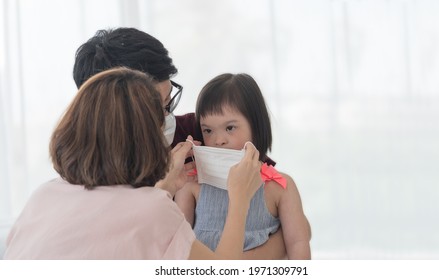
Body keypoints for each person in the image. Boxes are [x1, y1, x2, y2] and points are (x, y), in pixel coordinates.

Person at [3, 67, 266, 259]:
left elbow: (122, 223)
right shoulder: (153, 210)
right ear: (144, 137)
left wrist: (164, 187)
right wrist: (240, 198)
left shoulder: (43, 196)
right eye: (162, 114)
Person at [175, 73, 312, 259]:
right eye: (208, 130)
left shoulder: (280, 186)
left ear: (256, 127)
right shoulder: (191, 184)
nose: (218, 140)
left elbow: (298, 242)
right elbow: (176, 243)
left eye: (230, 128)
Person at [73, 27, 200, 147]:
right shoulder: (85, 163)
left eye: (168, 100)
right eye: (154, 111)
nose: (167, 118)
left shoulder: (197, 131)